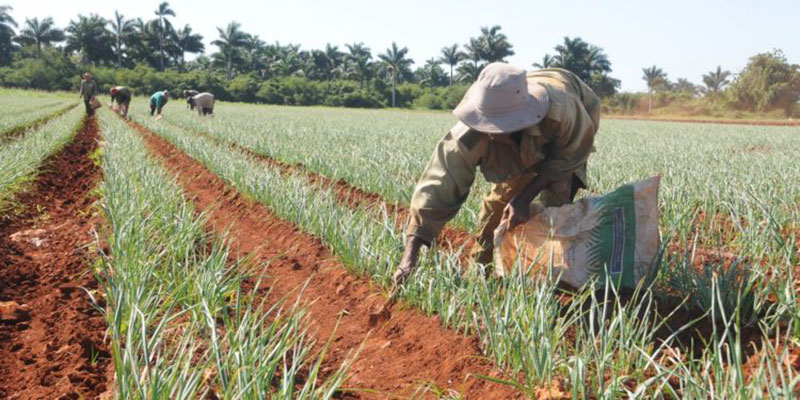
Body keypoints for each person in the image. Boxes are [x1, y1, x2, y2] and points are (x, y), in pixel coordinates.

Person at [392, 63, 601, 286]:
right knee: (498, 206)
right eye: (486, 124)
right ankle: (483, 267)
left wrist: (524, 197)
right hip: (523, 130)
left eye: (498, 126)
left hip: (571, 123)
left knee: (557, 200)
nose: (490, 132)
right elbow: (437, 187)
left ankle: (552, 273)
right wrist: (408, 258)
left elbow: (569, 156)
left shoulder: (562, 112)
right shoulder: (467, 137)